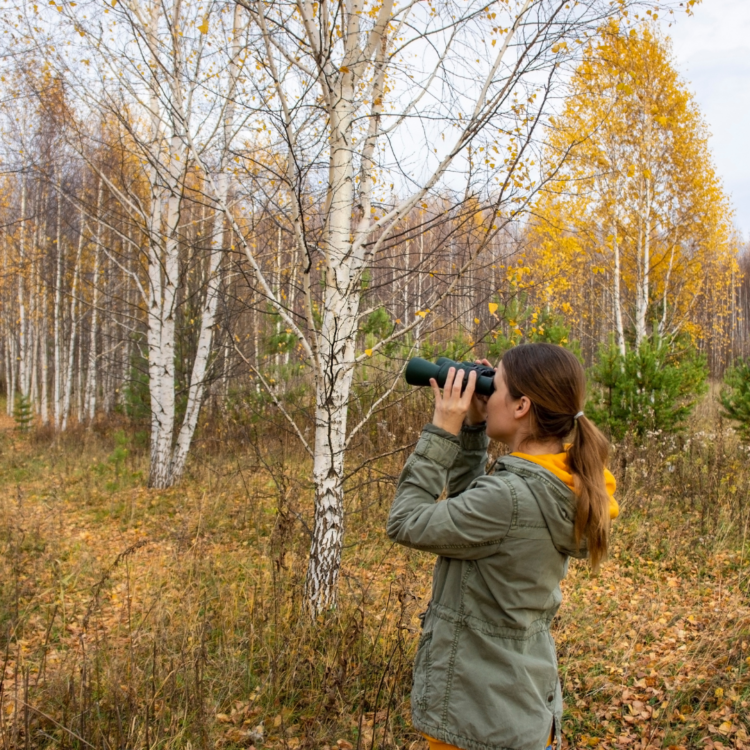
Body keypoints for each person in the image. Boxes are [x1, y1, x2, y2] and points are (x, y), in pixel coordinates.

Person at [387, 343, 618, 750]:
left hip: (479, 721)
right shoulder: (556, 484)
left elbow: (405, 521)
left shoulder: (510, 497)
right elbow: (470, 528)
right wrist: (474, 430)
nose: (483, 393)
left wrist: (444, 431)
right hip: (514, 710)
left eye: (495, 385)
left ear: (521, 406)